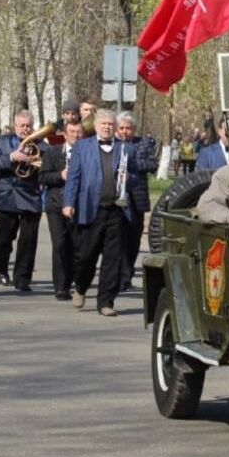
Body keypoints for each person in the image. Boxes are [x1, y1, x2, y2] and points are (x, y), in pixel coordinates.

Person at [62, 108, 132, 317]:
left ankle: (106, 302)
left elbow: (134, 175)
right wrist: (68, 202)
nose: (107, 127)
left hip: (116, 210)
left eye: (111, 124)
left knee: (113, 259)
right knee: (86, 256)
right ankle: (81, 286)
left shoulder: (124, 148)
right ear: (96, 126)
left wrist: (129, 181)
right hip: (91, 209)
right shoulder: (83, 147)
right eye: (103, 124)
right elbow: (73, 177)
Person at [0, 110, 44, 291]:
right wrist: (12, 157)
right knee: (5, 238)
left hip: (30, 195)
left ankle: (22, 278)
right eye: (22, 125)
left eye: (29, 126)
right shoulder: (2, 142)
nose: (26, 129)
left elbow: (47, 169)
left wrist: (37, 162)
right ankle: (3, 269)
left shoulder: (41, 145)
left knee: (28, 241)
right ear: (15, 126)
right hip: (8, 195)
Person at [115, 111, 157, 291]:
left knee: (133, 240)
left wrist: (132, 165)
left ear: (134, 129)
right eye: (122, 128)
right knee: (118, 239)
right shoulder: (112, 144)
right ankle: (119, 276)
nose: (125, 131)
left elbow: (152, 164)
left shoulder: (143, 143)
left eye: (129, 128)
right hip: (116, 199)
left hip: (136, 198)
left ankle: (128, 273)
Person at [41, 120, 81, 301]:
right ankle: (60, 286)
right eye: (72, 132)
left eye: (79, 132)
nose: (75, 135)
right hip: (56, 204)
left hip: (78, 205)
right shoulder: (53, 152)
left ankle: (71, 279)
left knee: (74, 245)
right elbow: (42, 177)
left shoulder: (87, 153)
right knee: (59, 243)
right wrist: (60, 175)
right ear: (65, 134)